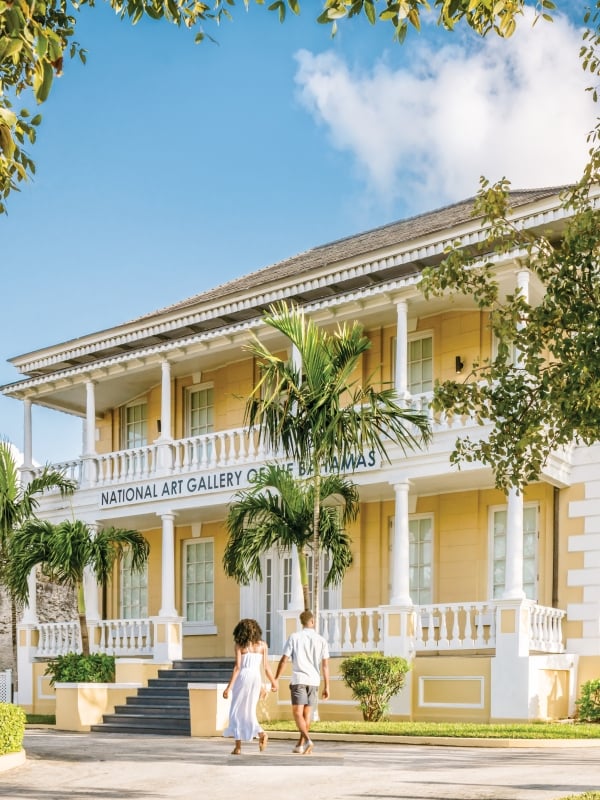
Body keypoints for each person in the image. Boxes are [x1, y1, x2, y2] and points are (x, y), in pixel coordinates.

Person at [274, 609, 330, 755]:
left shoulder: (294, 637)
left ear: (301, 623)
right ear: (312, 622)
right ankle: (300, 745)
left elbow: (284, 660)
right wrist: (327, 686)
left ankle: (307, 740)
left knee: (297, 713)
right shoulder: (322, 640)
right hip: (314, 681)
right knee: (307, 714)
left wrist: (276, 678)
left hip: (299, 679)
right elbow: (325, 665)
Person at [222, 618, 277, 755]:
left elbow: (237, 668)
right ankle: (260, 733)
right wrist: (273, 682)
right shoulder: (262, 645)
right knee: (249, 711)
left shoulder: (240, 646)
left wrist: (228, 688)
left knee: (236, 712)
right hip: (255, 678)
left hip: (243, 678)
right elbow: (266, 667)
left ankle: (239, 747)